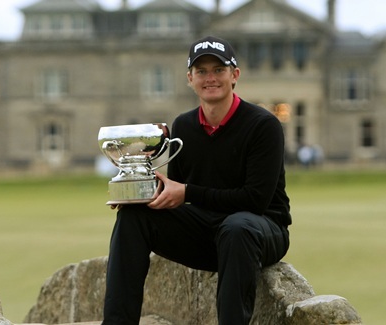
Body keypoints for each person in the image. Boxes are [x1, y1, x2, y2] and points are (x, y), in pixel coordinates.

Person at [102, 36, 292, 325]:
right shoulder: (184, 125)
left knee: (237, 225)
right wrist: (142, 194)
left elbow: (255, 200)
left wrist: (188, 191)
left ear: (234, 75)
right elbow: (177, 195)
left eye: (218, 70)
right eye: (201, 71)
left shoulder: (263, 125)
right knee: (133, 218)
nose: (210, 78)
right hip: (208, 234)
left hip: (261, 230)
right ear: (190, 78)